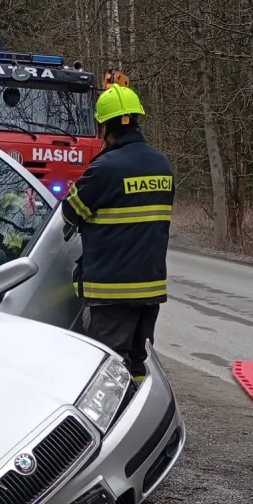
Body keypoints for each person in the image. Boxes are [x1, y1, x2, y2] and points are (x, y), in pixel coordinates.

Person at [60, 84, 174, 383]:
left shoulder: (105, 169)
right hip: (150, 287)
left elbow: (70, 214)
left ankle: (114, 424)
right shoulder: (163, 165)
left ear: (103, 126)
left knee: (108, 367)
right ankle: (140, 414)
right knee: (138, 364)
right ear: (136, 120)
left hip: (111, 290)